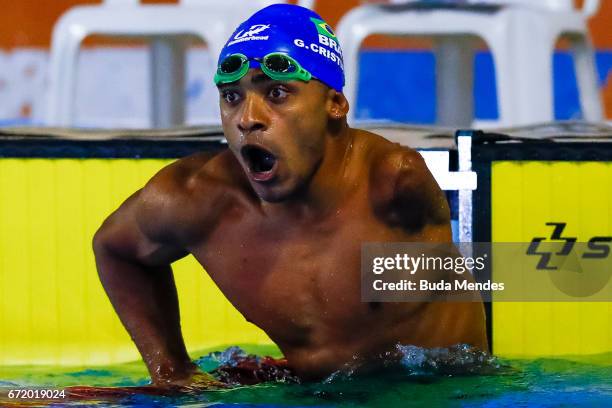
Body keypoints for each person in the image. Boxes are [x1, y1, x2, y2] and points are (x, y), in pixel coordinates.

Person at [92, 3, 487, 390]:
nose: (248, 118)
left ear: (335, 104)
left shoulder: (393, 184)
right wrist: (171, 371)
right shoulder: (198, 200)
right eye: (232, 97)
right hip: (307, 393)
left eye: (277, 93)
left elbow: (496, 275)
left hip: (437, 392)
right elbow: (114, 247)